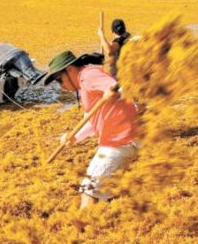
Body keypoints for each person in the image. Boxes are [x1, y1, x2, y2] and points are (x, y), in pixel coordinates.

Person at [39, 51, 139, 210]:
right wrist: (74, 137)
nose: (62, 86)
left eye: (60, 79)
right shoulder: (84, 84)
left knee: (89, 190)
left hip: (119, 141)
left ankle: (82, 228)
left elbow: (117, 88)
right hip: (126, 139)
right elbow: (92, 122)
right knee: (109, 191)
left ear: (70, 70)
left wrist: (113, 92)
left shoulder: (88, 75)